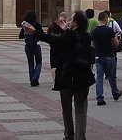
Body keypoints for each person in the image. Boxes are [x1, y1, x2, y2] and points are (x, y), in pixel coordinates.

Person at [24, 11, 95, 140]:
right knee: (81, 110)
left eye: (71, 19)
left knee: (66, 109)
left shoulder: (68, 36)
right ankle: (80, 137)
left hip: (67, 77)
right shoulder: (86, 36)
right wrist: (66, 30)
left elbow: (53, 40)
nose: (68, 21)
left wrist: (35, 31)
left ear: (75, 23)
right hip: (83, 77)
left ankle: (69, 135)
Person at [91, 11, 122, 105]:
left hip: (98, 56)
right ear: (105, 19)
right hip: (108, 55)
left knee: (99, 77)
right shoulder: (109, 30)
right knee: (111, 76)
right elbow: (116, 44)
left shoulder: (94, 31)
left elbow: (92, 44)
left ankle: (99, 98)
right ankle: (115, 93)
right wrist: (117, 38)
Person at [18, 10, 43, 86]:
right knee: (39, 62)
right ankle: (35, 78)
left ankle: (32, 79)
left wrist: (26, 31)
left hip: (28, 46)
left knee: (30, 63)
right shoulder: (37, 24)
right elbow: (42, 34)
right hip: (36, 45)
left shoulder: (25, 25)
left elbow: (20, 36)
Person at [47, 11, 68, 81]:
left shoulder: (52, 25)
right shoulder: (65, 25)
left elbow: (48, 35)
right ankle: (61, 79)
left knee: (53, 65)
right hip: (62, 48)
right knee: (62, 64)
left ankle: (54, 81)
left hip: (53, 47)